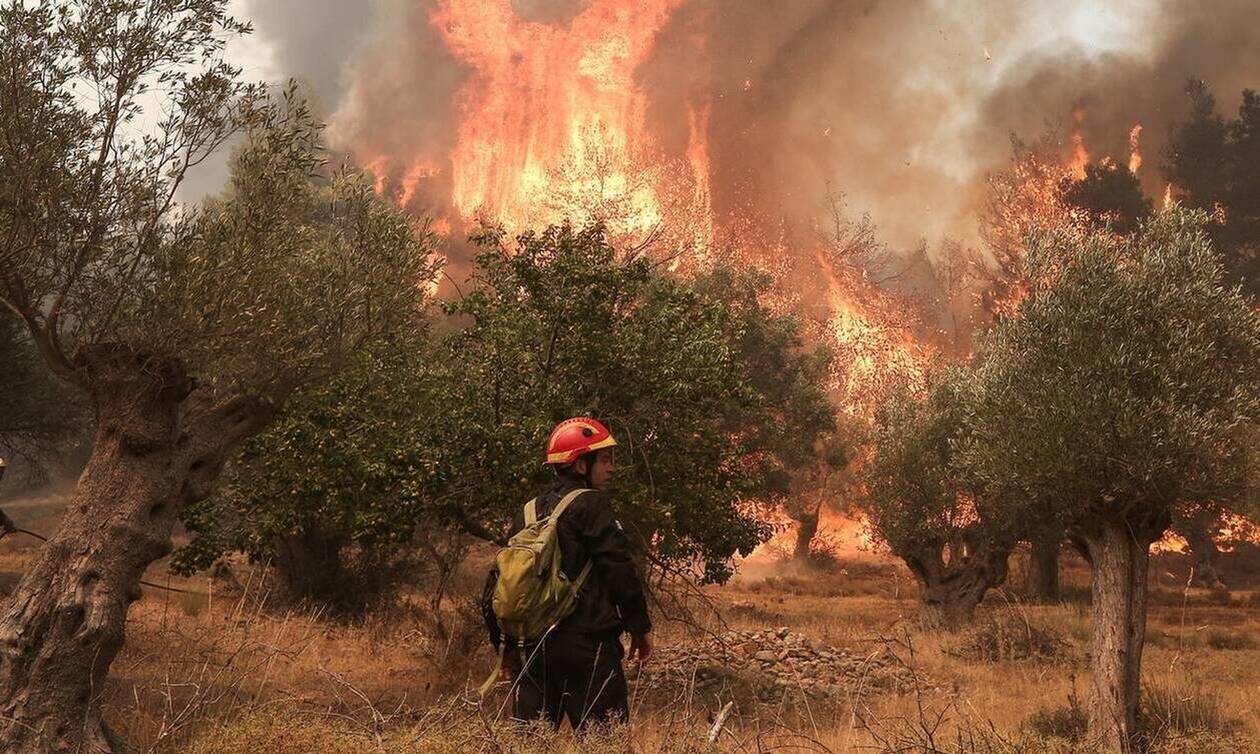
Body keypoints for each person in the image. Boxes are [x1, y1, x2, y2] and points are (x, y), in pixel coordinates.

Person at [481, 417, 653, 731]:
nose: (612, 468)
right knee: (605, 743)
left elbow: (500, 584)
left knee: (529, 745)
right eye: (604, 459)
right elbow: (618, 570)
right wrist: (639, 628)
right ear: (579, 466)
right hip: (588, 647)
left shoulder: (528, 511)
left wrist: (505, 648)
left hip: (533, 649)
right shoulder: (591, 504)